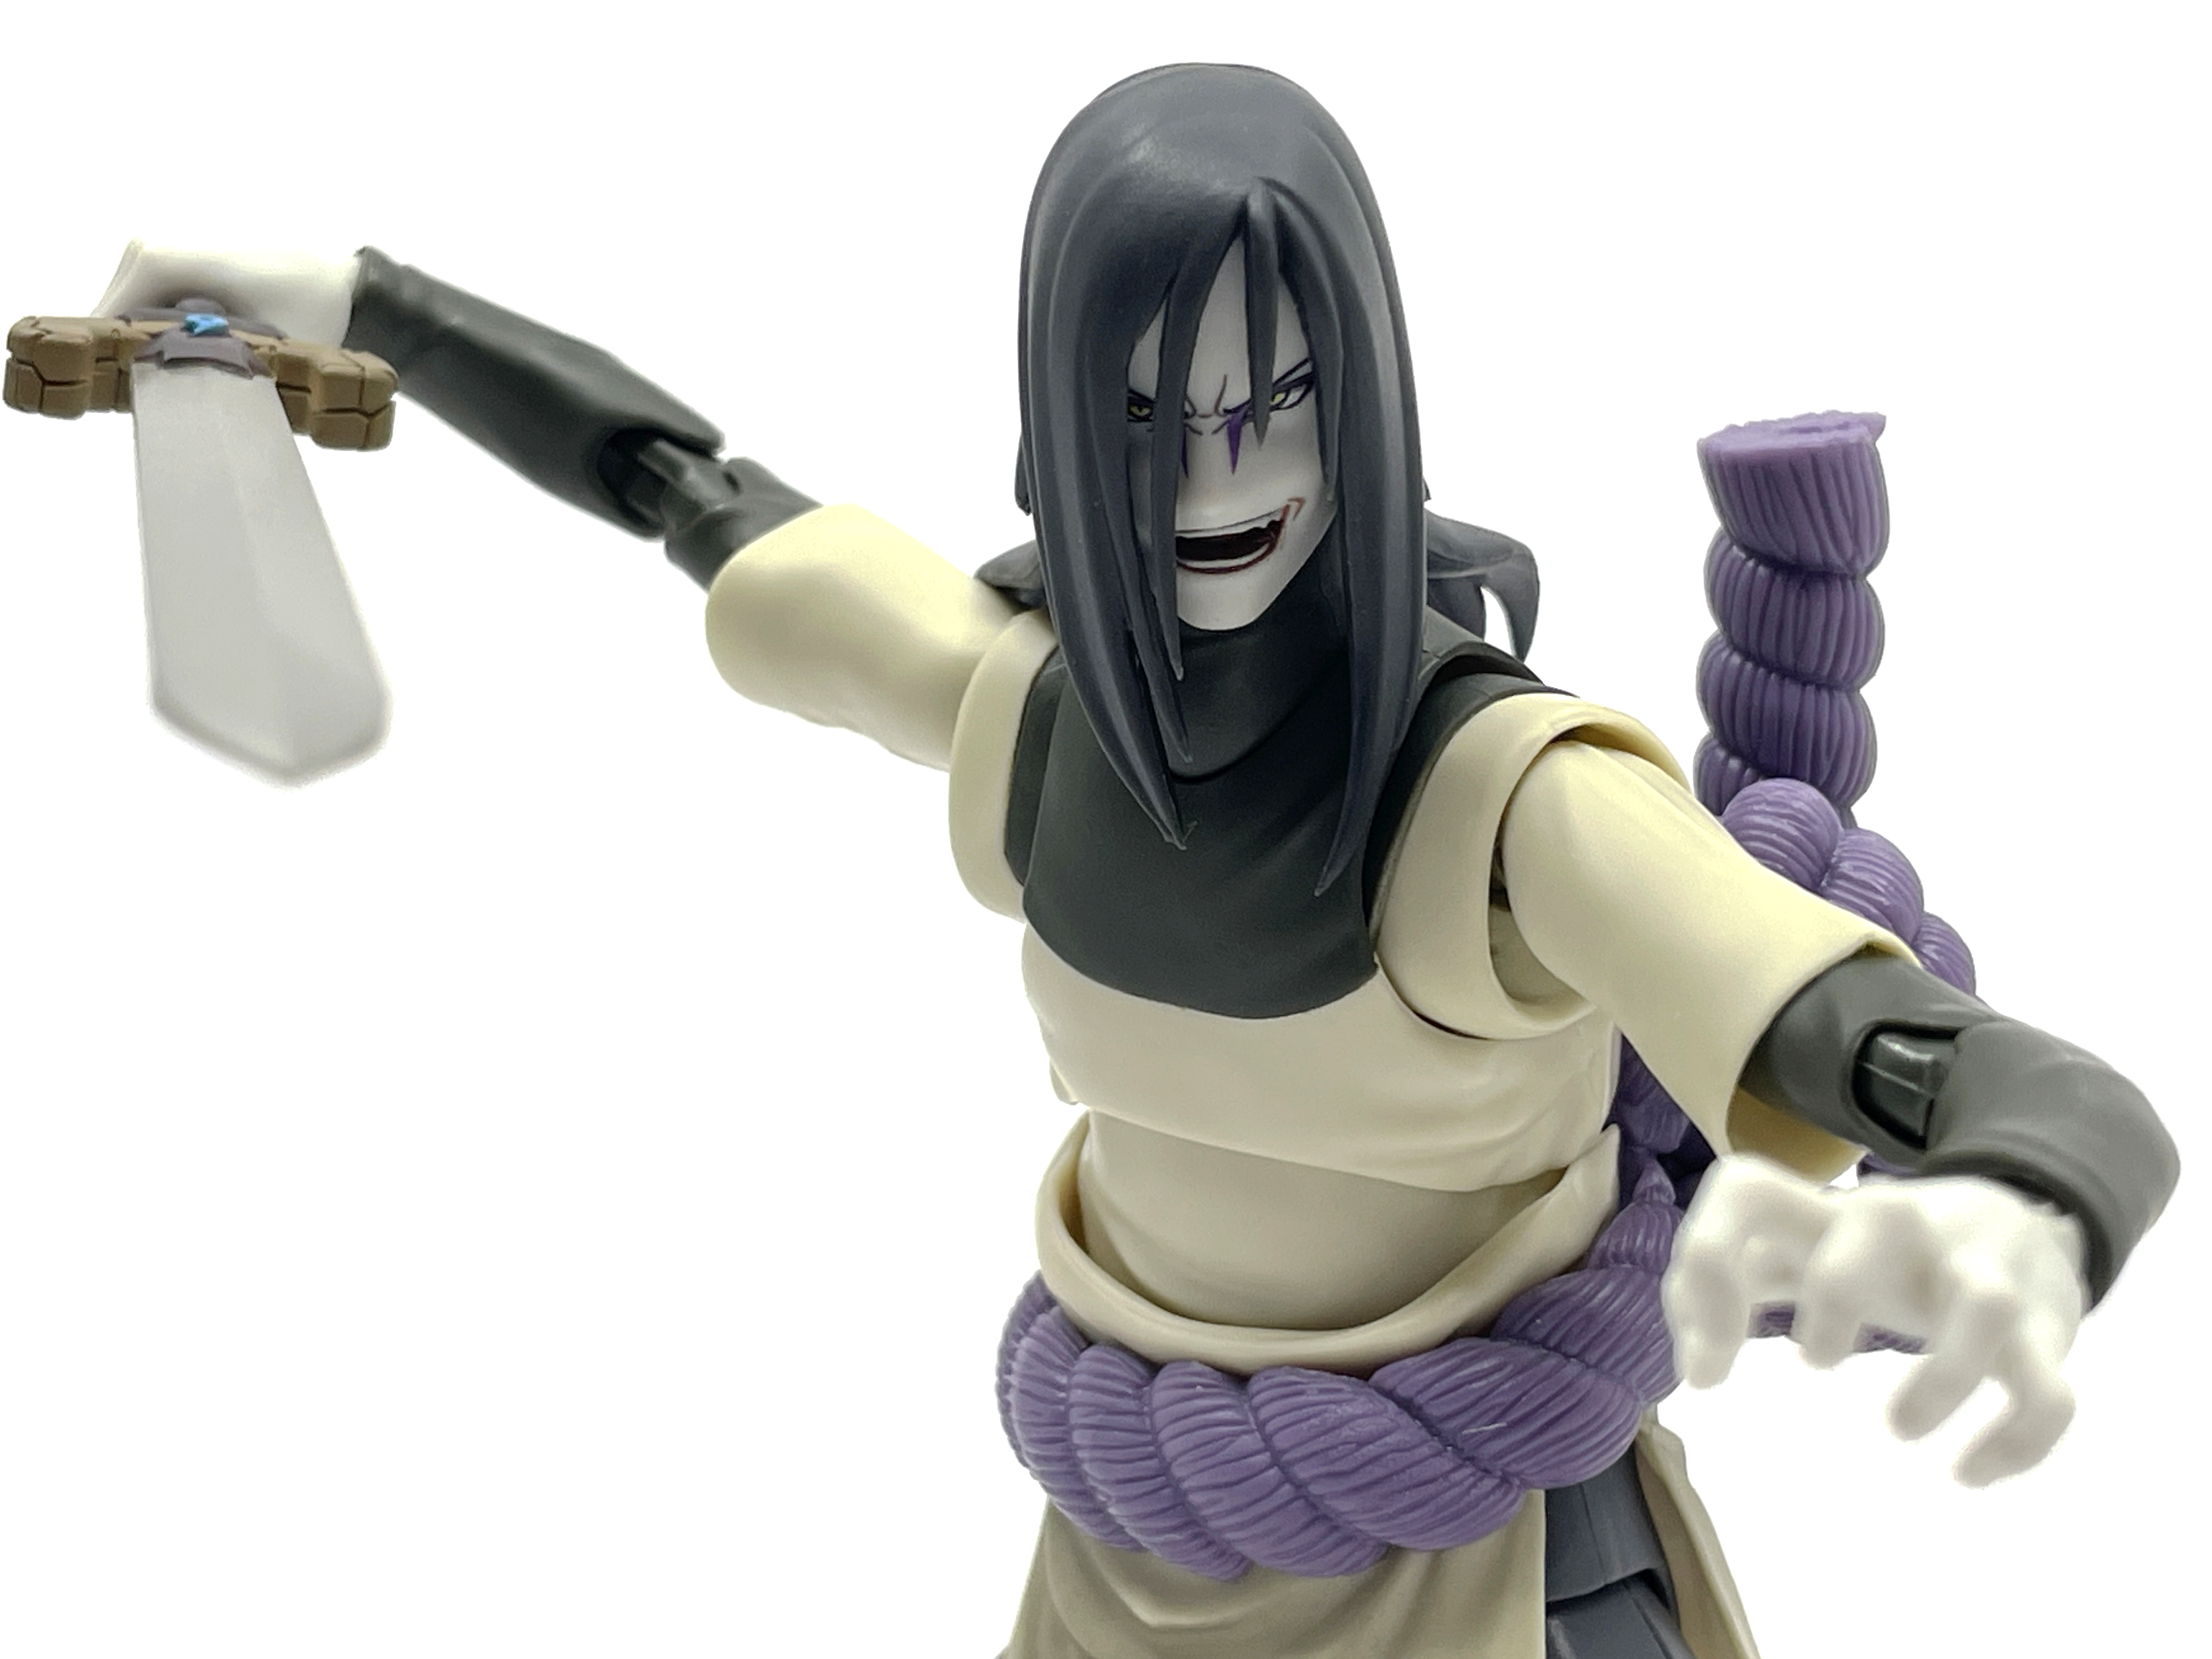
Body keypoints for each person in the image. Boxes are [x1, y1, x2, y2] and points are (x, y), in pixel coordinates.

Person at [89, 63, 2176, 1659]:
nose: (1224, 474)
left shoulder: (1503, 804)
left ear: (1363, 401)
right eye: (1154, 414)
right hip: (1138, 1541)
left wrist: (2022, 1207)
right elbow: (681, 487)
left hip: (1478, 1565)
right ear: (1065, 427)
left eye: (1283, 397)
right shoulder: (1019, 716)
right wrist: (361, 302)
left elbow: (1897, 1040)